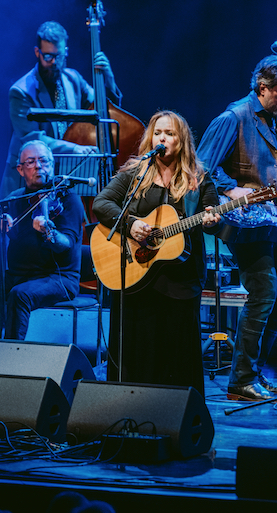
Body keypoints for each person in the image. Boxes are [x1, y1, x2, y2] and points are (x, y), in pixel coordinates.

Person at [198, 55, 277, 401]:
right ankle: (239, 380)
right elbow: (200, 166)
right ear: (263, 88)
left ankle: (252, 374)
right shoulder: (235, 117)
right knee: (265, 291)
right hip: (248, 224)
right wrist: (230, 187)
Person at [92, 111, 221, 396]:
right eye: (158, 132)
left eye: (170, 133)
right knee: (137, 350)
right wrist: (131, 224)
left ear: (182, 140)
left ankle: (177, 419)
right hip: (136, 277)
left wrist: (213, 217)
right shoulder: (136, 172)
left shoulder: (197, 178)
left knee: (176, 353)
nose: (163, 138)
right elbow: (101, 203)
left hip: (179, 281)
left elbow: (211, 213)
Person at [0, 141, 83, 340]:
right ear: (20, 169)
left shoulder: (67, 198)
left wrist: (48, 232)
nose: (38, 166)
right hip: (19, 275)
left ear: (52, 165)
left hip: (59, 278)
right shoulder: (15, 199)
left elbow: (65, 244)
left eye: (43, 161)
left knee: (19, 295)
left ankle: (11, 356)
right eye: (31, 162)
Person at [0, 21, 123, 198]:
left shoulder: (73, 79)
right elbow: (33, 139)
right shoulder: (20, 91)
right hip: (29, 179)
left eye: (59, 56)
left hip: (64, 172)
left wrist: (108, 79)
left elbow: (104, 110)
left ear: (66, 52)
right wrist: (74, 149)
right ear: (37, 53)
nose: (54, 63)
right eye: (48, 57)